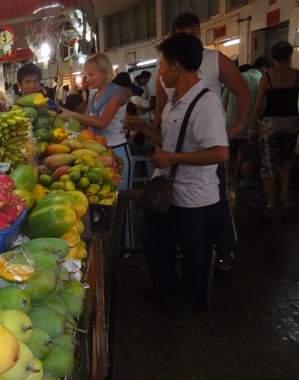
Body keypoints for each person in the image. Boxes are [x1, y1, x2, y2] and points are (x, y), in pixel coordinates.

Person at [128, 33, 229, 319]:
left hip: (196, 196)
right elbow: (170, 140)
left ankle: (194, 300)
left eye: (162, 67)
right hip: (168, 190)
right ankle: (166, 286)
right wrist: (144, 128)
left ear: (176, 66)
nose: (159, 74)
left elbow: (220, 153)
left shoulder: (206, 104)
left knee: (195, 253)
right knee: (154, 239)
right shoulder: (175, 100)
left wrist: (172, 158)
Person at [155, 13, 250, 273]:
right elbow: (160, 110)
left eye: (194, 34)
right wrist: (157, 140)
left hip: (206, 146)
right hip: (177, 145)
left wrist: (238, 126)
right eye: (183, 35)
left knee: (215, 200)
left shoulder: (215, 59)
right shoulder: (167, 68)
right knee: (178, 202)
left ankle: (224, 248)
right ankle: (185, 244)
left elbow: (242, 91)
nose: (190, 39)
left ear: (200, 33)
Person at [58, 53, 134, 254]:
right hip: (101, 153)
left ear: (104, 73)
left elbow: (102, 123)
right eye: (85, 74)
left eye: (91, 74)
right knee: (106, 203)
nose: (87, 79)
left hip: (118, 151)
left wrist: (73, 114)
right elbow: (90, 125)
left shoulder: (117, 93)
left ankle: (125, 248)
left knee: (121, 202)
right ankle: (110, 249)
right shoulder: (94, 95)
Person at [248, 40, 299, 216]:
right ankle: (284, 197)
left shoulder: (267, 77)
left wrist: (252, 128)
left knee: (268, 164)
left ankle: (270, 204)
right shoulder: (296, 75)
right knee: (285, 161)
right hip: (292, 123)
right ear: (289, 56)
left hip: (270, 124)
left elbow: (258, 105)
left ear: (273, 57)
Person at [222, 57, 271, 190]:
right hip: (249, 124)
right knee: (247, 154)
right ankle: (246, 180)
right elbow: (261, 106)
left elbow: (224, 102)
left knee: (226, 152)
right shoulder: (261, 80)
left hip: (229, 123)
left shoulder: (236, 77)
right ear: (264, 67)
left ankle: (226, 177)